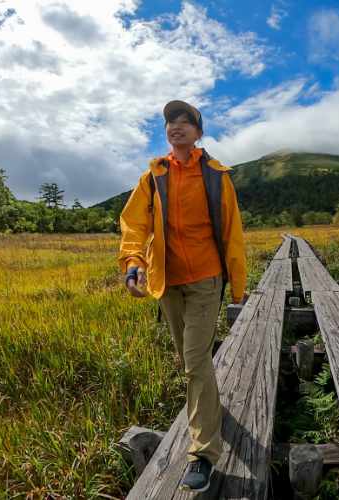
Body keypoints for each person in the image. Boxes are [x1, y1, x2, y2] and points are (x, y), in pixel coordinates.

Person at [117, 100, 246, 492]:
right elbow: (134, 223)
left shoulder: (216, 176)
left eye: (185, 122)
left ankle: (203, 453)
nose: (176, 127)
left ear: (198, 132)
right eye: (171, 122)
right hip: (167, 281)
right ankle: (211, 409)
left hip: (206, 279)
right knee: (191, 359)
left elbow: (232, 231)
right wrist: (133, 262)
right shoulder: (152, 177)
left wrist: (237, 288)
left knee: (194, 361)